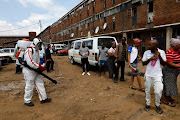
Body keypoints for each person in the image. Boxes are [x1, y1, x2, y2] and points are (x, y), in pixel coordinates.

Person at [22, 38, 52, 107]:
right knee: (29, 85)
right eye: (39, 44)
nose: (40, 45)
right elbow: (30, 62)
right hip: (29, 71)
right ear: (35, 43)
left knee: (40, 83)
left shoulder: (37, 51)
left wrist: (41, 66)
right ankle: (27, 100)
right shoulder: (29, 50)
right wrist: (38, 67)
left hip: (35, 70)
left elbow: (37, 61)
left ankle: (43, 98)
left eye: (40, 44)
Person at [142, 40, 166, 114]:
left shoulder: (161, 52)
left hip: (158, 75)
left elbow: (164, 63)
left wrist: (159, 56)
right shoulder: (146, 52)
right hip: (148, 75)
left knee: (159, 91)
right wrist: (150, 59)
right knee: (147, 90)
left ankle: (157, 105)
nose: (148, 46)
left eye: (149, 45)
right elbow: (143, 63)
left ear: (155, 46)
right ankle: (148, 104)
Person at [163, 38, 180, 107]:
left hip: (173, 72)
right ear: (175, 45)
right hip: (169, 71)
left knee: (171, 85)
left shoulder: (175, 51)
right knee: (168, 85)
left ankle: (169, 98)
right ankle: (166, 100)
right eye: (179, 44)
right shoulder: (170, 52)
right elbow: (170, 63)